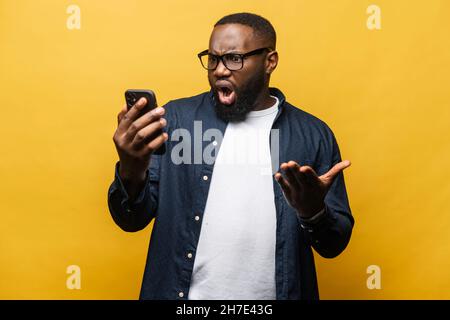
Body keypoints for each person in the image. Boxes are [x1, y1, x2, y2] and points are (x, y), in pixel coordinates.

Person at [108, 12, 354, 300]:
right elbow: (130, 220)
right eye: (212, 58)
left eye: (234, 58)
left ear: (270, 61)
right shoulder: (176, 121)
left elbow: (333, 244)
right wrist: (131, 170)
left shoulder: (313, 134)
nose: (220, 70)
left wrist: (314, 212)